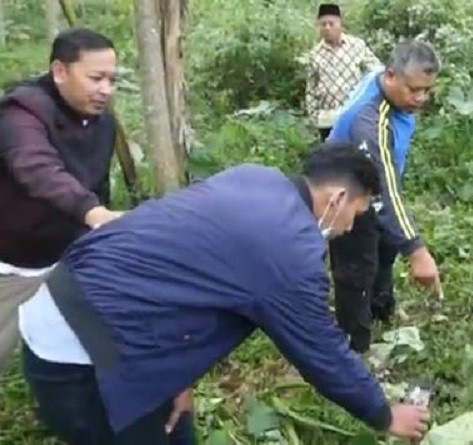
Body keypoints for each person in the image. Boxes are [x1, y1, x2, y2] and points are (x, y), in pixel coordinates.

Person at [20, 142, 431, 444]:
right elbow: (320, 349)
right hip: (81, 349)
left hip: (79, 297)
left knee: (176, 431)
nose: (346, 229)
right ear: (338, 198)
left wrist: (176, 376)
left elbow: (182, 268)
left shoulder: (254, 176)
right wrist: (383, 414)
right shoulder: (289, 247)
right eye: (355, 216)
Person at [0, 27, 195, 443]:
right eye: (95, 78)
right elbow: (37, 171)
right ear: (59, 71)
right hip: (11, 266)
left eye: (112, 79)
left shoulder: (102, 124)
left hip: (70, 260)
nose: (106, 89)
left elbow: (96, 187)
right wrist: (94, 213)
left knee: (102, 353)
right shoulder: (21, 114)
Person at [326, 39, 443, 354]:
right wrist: (417, 251)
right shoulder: (370, 120)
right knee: (356, 268)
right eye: (413, 90)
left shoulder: (389, 83)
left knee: (385, 247)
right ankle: (354, 349)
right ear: (391, 76)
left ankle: (381, 312)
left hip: (372, 180)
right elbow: (384, 189)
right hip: (345, 196)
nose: (420, 99)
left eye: (427, 91)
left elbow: (387, 182)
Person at [305, 3, 381, 141]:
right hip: (326, 119)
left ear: (340, 24)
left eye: (331, 23)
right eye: (323, 24)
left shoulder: (357, 46)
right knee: (332, 157)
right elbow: (311, 88)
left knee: (354, 153)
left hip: (353, 113)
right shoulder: (315, 54)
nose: (327, 28)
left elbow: (377, 71)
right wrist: (314, 116)